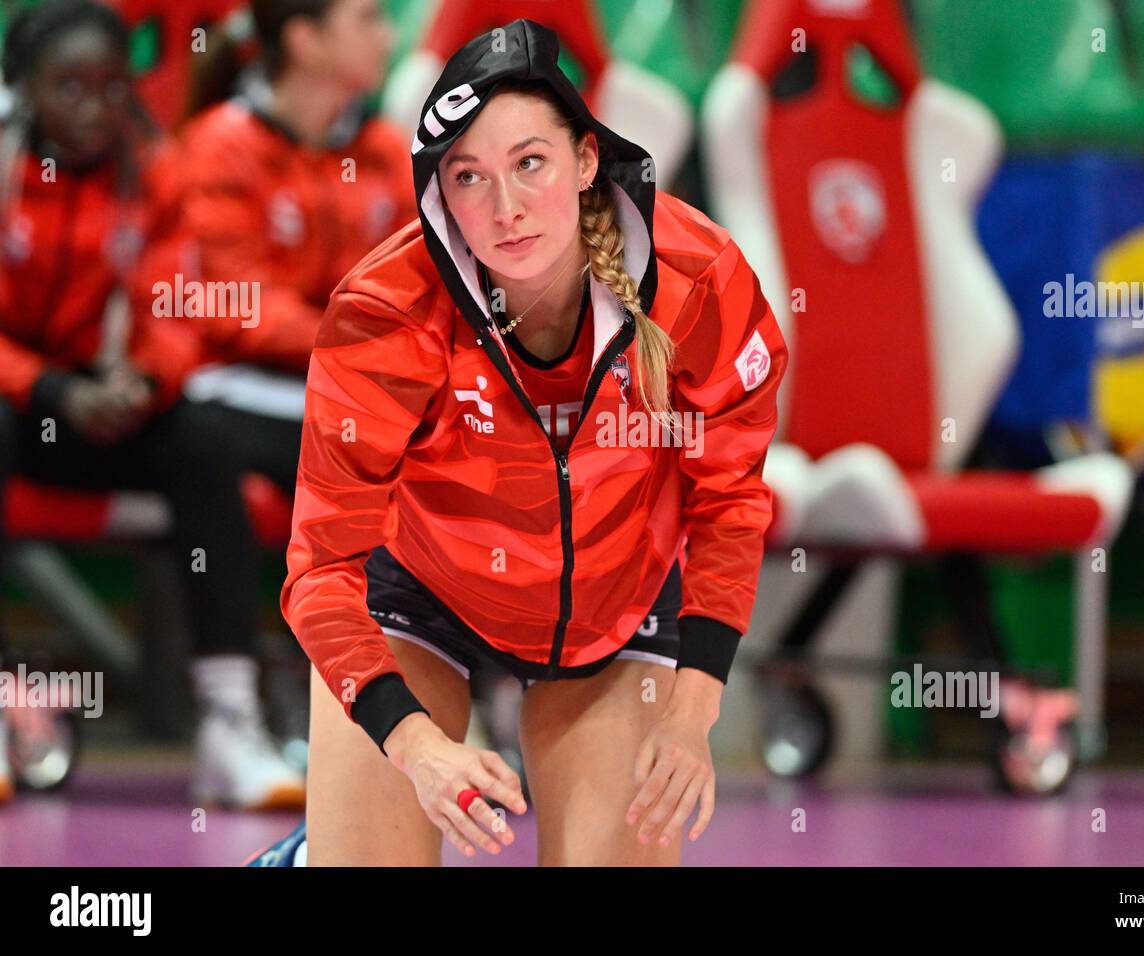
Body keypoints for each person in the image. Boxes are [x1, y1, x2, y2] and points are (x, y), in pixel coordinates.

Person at [257, 17, 787, 866]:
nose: (504, 209)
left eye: (529, 163)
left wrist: (693, 711)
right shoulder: (384, 311)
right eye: (468, 177)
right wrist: (417, 748)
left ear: (584, 161)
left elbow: (728, 498)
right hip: (420, 588)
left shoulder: (698, 278)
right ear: (439, 195)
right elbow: (320, 568)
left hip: (617, 601)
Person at [0, 0, 303, 809]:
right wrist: (52, 388)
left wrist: (143, 382)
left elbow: (179, 305)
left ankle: (229, 720)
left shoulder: (155, 169)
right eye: (69, 87)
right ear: (23, 88)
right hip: (23, 405)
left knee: (202, 438)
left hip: (111, 408)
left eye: (110, 86)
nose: (95, 106)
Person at [167, 0, 410, 495]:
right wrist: (362, 344)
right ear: (305, 40)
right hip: (236, 388)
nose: (389, 38)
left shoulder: (384, 147)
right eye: (369, 20)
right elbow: (234, 306)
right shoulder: (219, 146)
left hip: (350, 384)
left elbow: (421, 285)